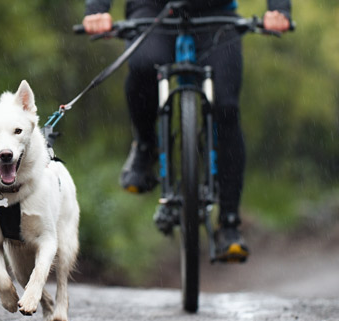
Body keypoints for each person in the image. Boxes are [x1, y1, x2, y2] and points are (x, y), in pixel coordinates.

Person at [82, 0, 291, 261]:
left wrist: (280, 9)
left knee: (226, 107)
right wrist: (96, 10)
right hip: (152, 8)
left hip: (217, 12)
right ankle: (146, 148)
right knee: (145, 66)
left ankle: (229, 223)